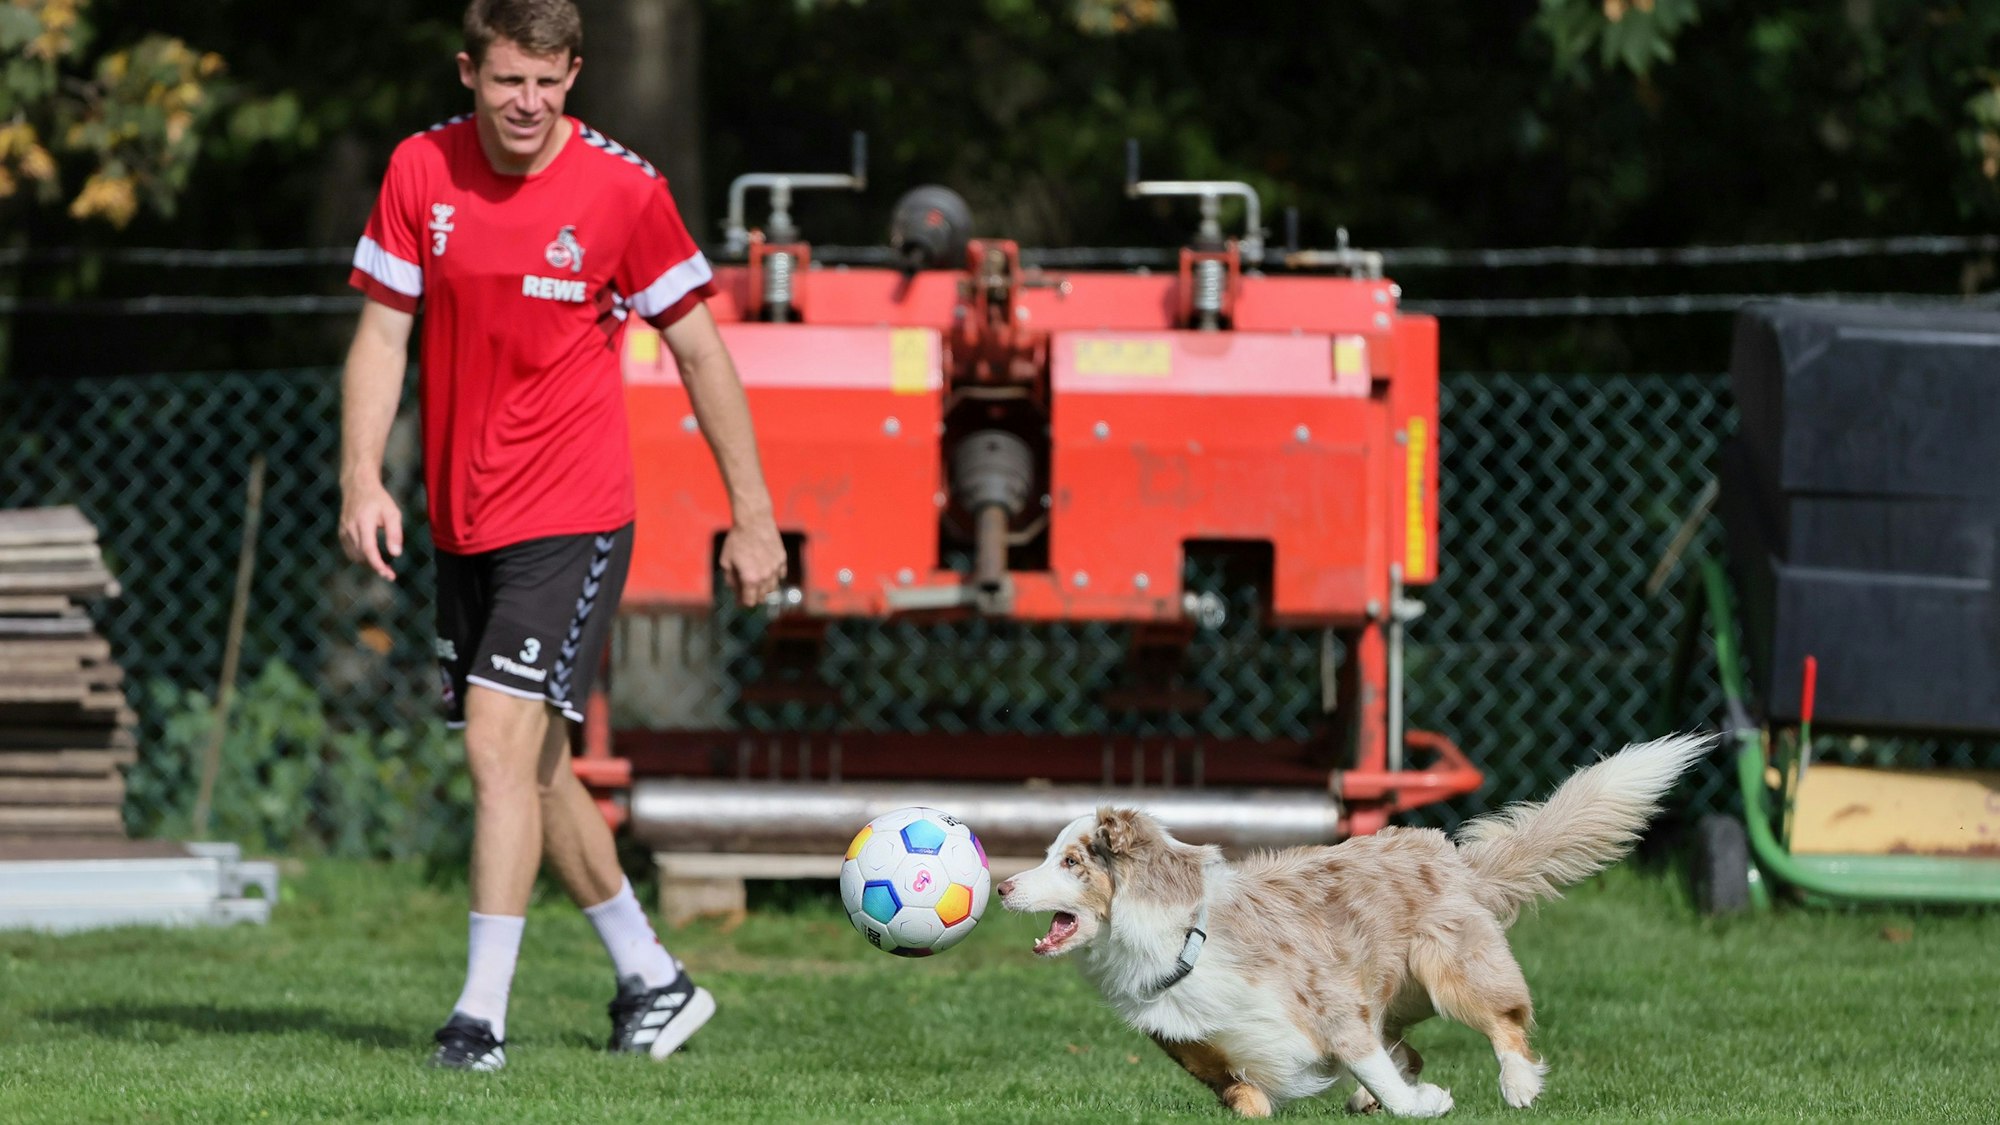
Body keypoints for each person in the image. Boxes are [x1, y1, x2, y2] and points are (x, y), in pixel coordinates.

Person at [337, 0, 785, 1072]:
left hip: (572, 516)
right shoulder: (417, 172)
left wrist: (753, 514)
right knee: (534, 771)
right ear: (469, 74)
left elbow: (703, 355)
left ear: (574, 75)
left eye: (546, 82)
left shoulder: (625, 192)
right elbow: (382, 332)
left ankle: (475, 1022)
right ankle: (653, 980)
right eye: (505, 82)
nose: (526, 104)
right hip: (462, 518)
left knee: (499, 748)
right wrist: (361, 476)